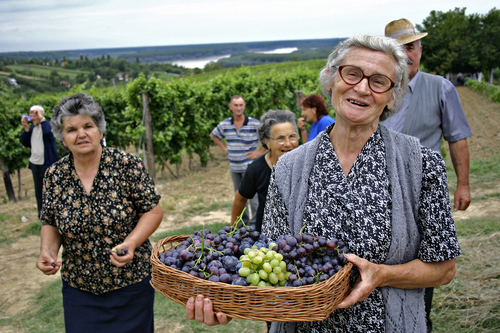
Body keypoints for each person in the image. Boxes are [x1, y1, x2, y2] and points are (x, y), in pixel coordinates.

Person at [185, 34, 460, 333]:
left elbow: (443, 269)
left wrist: (382, 274)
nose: (362, 87)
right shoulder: (288, 168)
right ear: (330, 80)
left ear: (393, 96)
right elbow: (272, 261)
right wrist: (229, 301)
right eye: (351, 73)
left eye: (379, 81)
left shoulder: (421, 164)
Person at [36, 93, 163, 333]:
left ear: (100, 131)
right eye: (71, 129)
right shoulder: (54, 176)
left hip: (131, 283)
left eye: (88, 126)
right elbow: (50, 221)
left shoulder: (126, 165)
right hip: (79, 287)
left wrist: (131, 243)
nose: (81, 134)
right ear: (62, 138)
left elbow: (153, 211)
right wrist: (48, 251)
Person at [381, 18, 473, 332]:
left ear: (420, 50)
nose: (407, 54)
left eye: (411, 46)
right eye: (399, 48)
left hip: (423, 196)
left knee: (427, 261)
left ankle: (421, 321)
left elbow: (457, 137)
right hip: (380, 196)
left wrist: (462, 185)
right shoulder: (377, 87)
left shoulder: (439, 87)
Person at [231, 109, 299, 232]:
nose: (288, 144)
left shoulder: (306, 164)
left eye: (292, 136)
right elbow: (240, 198)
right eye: (280, 138)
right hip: (267, 237)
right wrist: (233, 230)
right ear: (267, 142)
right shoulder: (257, 169)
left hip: (301, 235)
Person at [211, 95, 265, 225]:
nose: (238, 108)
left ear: (244, 106)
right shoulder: (225, 124)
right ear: (230, 107)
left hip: (250, 168)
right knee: (240, 197)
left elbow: (267, 136)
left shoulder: (254, 123)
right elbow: (213, 135)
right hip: (234, 167)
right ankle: (242, 224)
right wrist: (224, 147)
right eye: (235, 105)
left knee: (254, 199)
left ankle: (256, 224)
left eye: (241, 105)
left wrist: (260, 152)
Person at [20, 105, 59, 219]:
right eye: (31, 114)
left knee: (50, 189)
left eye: (35, 114)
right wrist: (26, 128)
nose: (32, 116)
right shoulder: (33, 128)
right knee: (38, 190)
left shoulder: (47, 126)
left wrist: (42, 118)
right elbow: (26, 142)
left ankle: (53, 213)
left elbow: (48, 133)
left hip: (46, 163)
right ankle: (41, 214)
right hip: (35, 163)